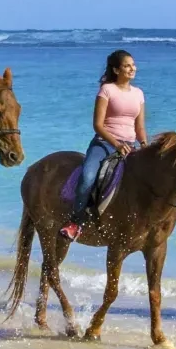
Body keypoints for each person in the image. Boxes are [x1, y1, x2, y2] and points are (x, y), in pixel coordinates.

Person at [61, 49, 147, 242]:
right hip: (104, 144)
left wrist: (144, 144)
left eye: (133, 65)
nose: (132, 69)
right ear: (116, 70)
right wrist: (116, 144)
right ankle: (75, 222)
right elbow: (98, 125)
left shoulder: (138, 94)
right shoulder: (107, 90)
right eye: (127, 66)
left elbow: (140, 126)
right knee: (87, 176)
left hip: (130, 146)